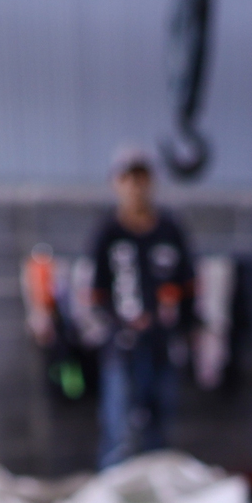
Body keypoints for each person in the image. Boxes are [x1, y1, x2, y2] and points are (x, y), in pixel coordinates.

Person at [85, 144, 197, 469]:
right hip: (121, 348)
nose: (135, 186)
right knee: (119, 430)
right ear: (116, 183)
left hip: (162, 346)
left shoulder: (170, 229)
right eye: (127, 178)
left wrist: (181, 329)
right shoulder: (108, 232)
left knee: (158, 430)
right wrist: (119, 326)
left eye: (142, 177)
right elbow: (96, 292)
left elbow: (188, 285)